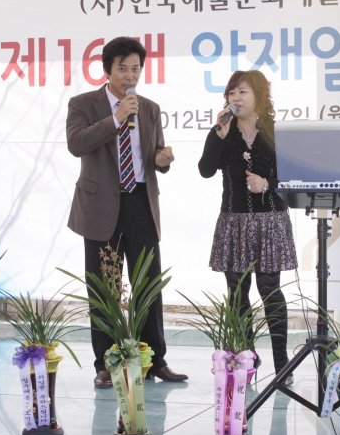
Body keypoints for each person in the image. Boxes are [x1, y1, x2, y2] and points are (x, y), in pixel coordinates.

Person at [66, 36, 187, 387]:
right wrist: (115, 118)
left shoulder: (149, 108)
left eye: (136, 68)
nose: (130, 76)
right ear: (107, 70)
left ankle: (155, 361)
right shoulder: (83, 104)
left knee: (148, 284)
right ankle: (106, 363)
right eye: (123, 68)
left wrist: (162, 159)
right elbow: (77, 144)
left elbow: (154, 154)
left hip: (139, 202)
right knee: (104, 288)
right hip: (100, 206)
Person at [198, 70, 298, 384]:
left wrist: (266, 184)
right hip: (234, 220)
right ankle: (246, 357)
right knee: (237, 292)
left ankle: (282, 363)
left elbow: (292, 177)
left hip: (270, 220)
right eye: (231, 93)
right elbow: (205, 170)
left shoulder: (275, 131)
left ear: (259, 96)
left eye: (242, 92)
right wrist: (218, 136)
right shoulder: (222, 131)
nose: (236, 98)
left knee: (270, 289)